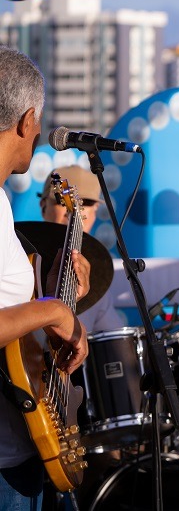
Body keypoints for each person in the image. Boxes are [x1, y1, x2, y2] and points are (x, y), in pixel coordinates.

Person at [0, 47, 89, 507]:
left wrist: (59, 291)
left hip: (22, 449)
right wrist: (53, 309)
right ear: (26, 119)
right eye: (38, 124)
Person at [38, 165, 124, 332]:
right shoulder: (19, 258)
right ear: (44, 206)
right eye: (63, 201)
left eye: (86, 202)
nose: (75, 212)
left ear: (96, 210)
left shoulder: (98, 276)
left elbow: (114, 342)